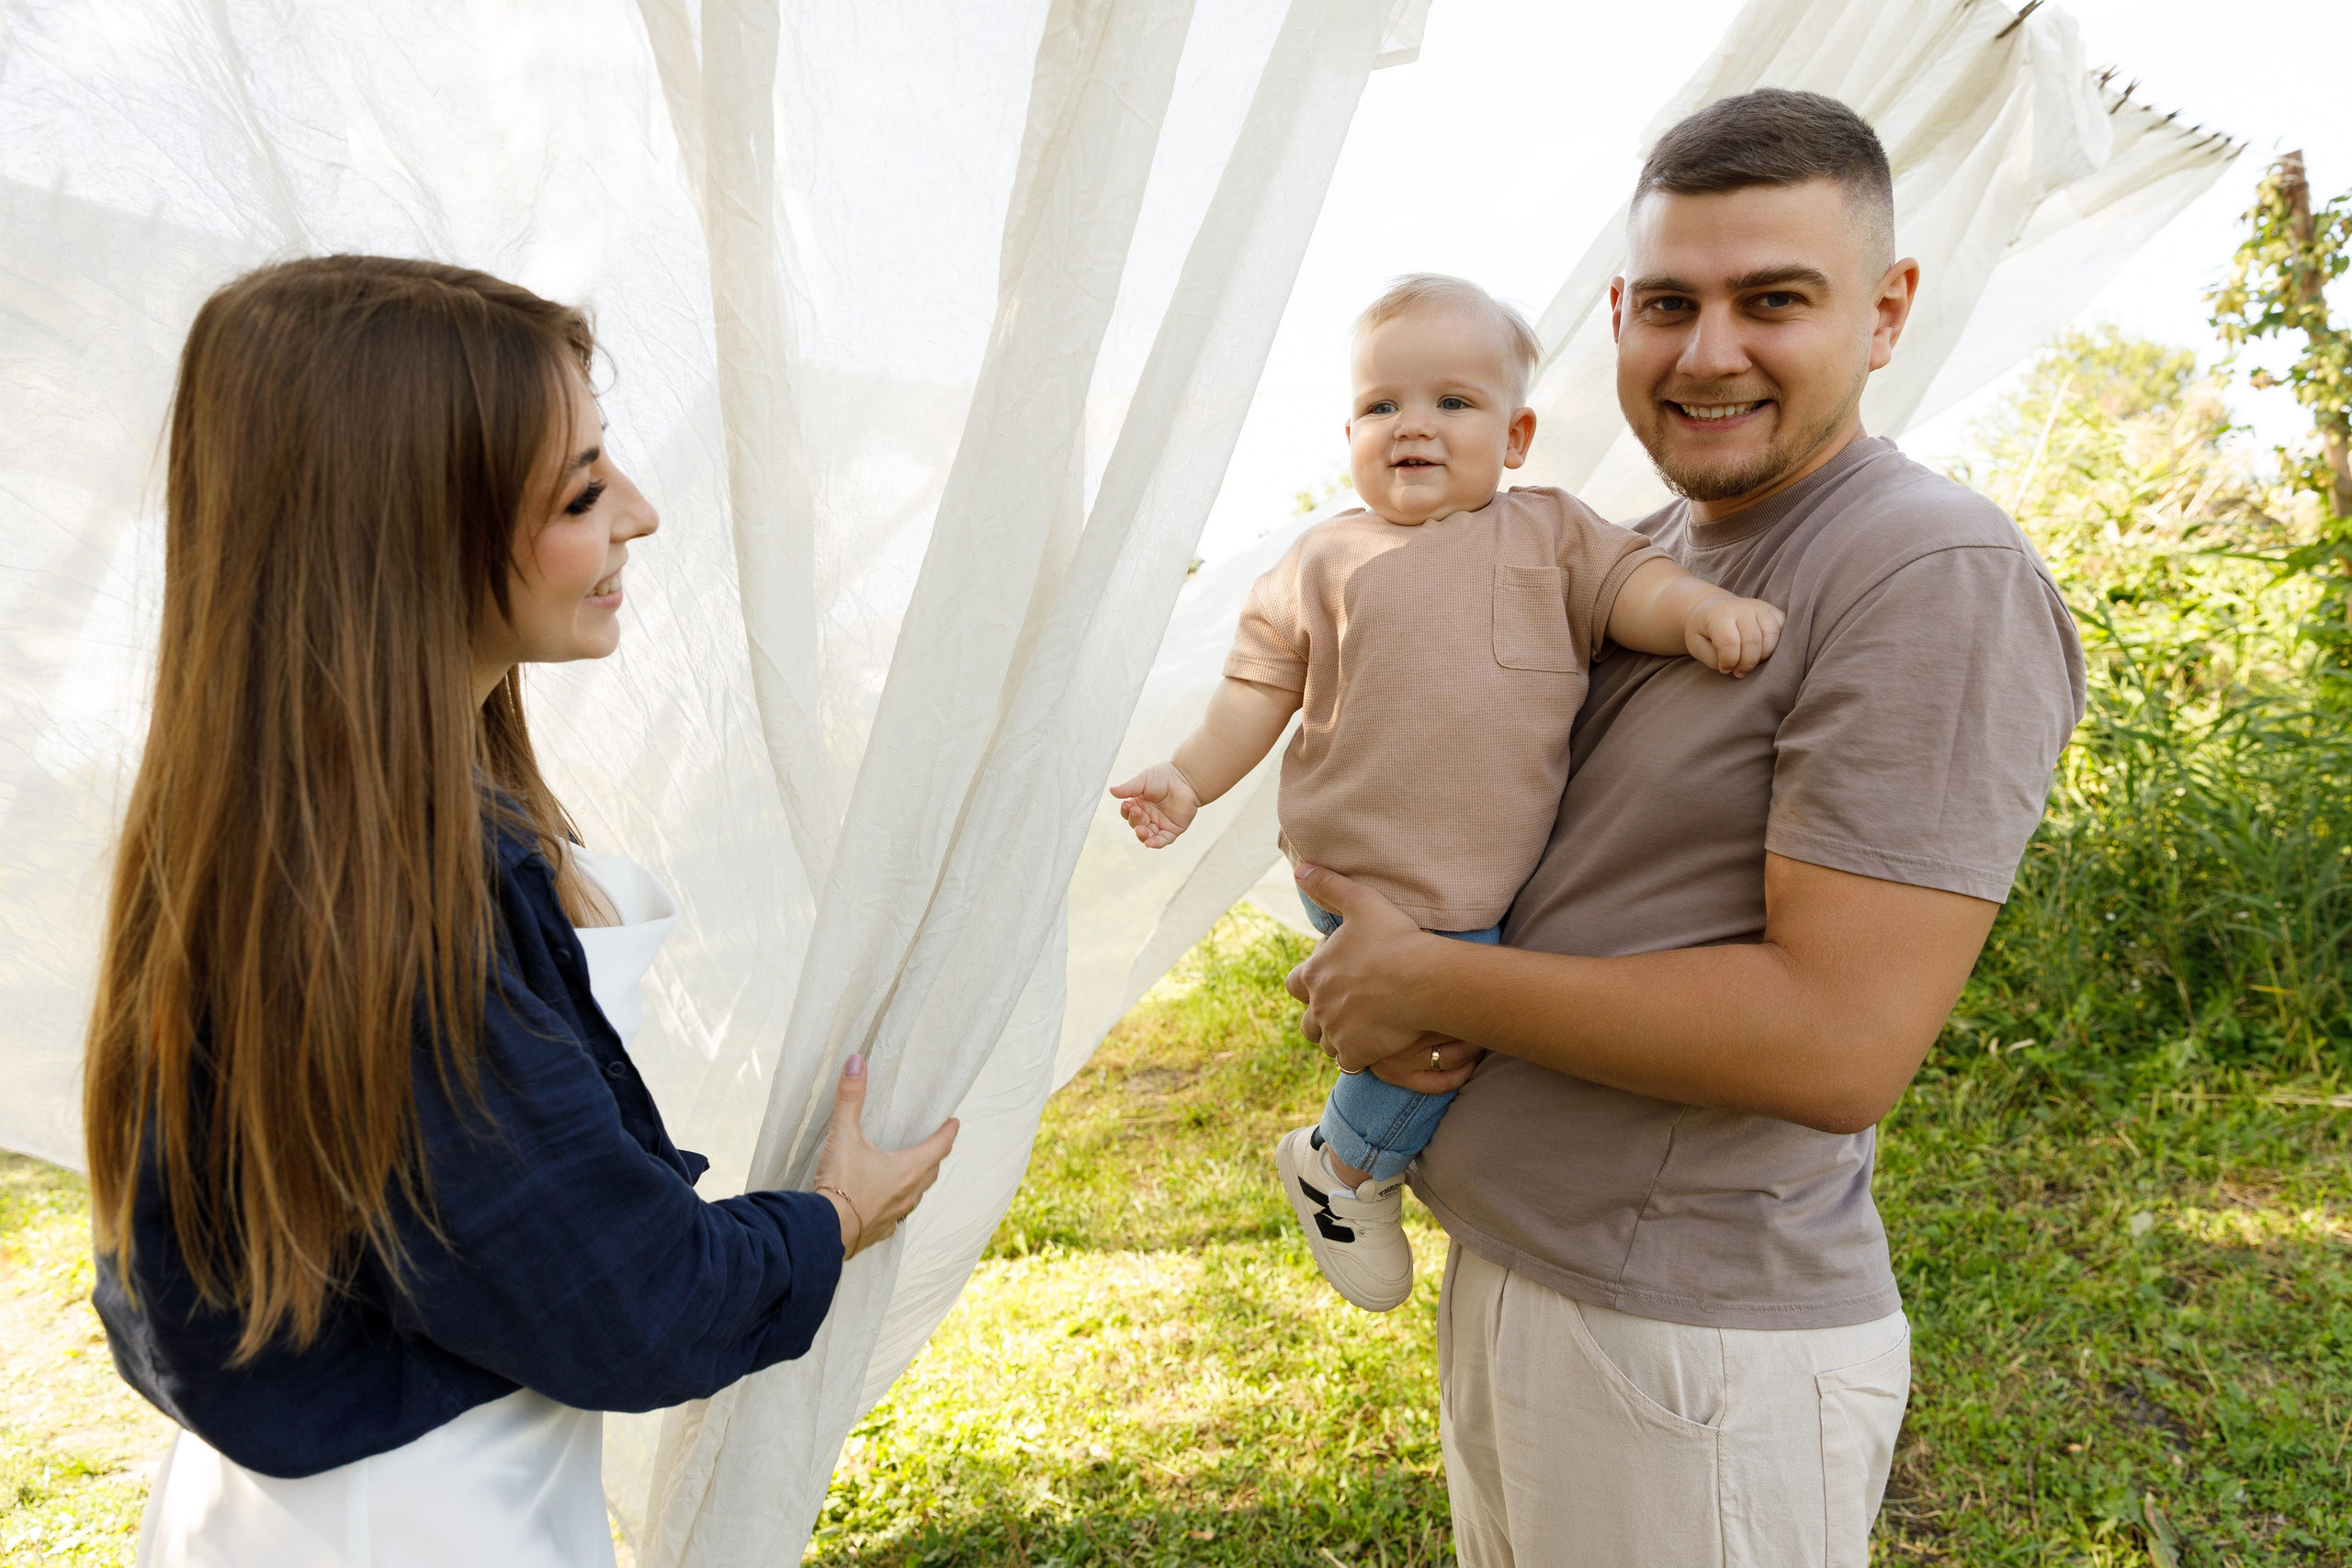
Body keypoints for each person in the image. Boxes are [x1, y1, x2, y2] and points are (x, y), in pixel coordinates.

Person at [1282, 90, 2086, 1567]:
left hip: (1694, 1349)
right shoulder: (1628, 560)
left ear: (1886, 312)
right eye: (1670, 303)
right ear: (1617, 317)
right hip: (1525, 1278)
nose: (1709, 352)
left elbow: (1837, 1040)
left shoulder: (1923, 566)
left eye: (1773, 299)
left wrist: (1428, 978)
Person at [82, 255, 958, 1567]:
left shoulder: (270, 829)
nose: (640, 513)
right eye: (582, 491)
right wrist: (834, 1212)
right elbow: (633, 1301)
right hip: (418, 1525)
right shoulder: (389, 913)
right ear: (411, 538)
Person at [1109, 273, 1785, 1312]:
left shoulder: (1550, 533)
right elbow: (1256, 691)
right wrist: (1188, 778)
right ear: (1349, 434)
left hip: (1488, 871)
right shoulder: (1323, 559)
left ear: (1514, 438)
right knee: (1438, 1039)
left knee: (1458, 1021)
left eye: (1451, 402)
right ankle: (1343, 1168)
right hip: (1365, 867)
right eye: (1382, 405)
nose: (1412, 425)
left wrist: (1695, 610)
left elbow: (1633, 587)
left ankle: (1355, 1148)